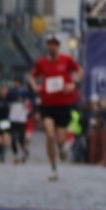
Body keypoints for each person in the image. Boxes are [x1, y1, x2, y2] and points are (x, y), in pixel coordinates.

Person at [28, 33, 83, 181]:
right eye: (50, 43)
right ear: (47, 46)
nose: (52, 46)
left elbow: (79, 71)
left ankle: (62, 147)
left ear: (58, 46)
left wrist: (73, 83)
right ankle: (53, 168)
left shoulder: (66, 60)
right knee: (50, 135)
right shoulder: (41, 62)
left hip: (63, 105)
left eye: (55, 44)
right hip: (47, 105)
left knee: (60, 138)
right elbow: (32, 76)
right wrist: (35, 86)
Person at [7, 79, 31, 163]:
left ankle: (24, 152)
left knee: (21, 139)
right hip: (13, 118)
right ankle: (15, 155)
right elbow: (8, 102)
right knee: (13, 138)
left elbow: (28, 103)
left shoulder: (24, 92)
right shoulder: (11, 92)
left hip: (21, 119)